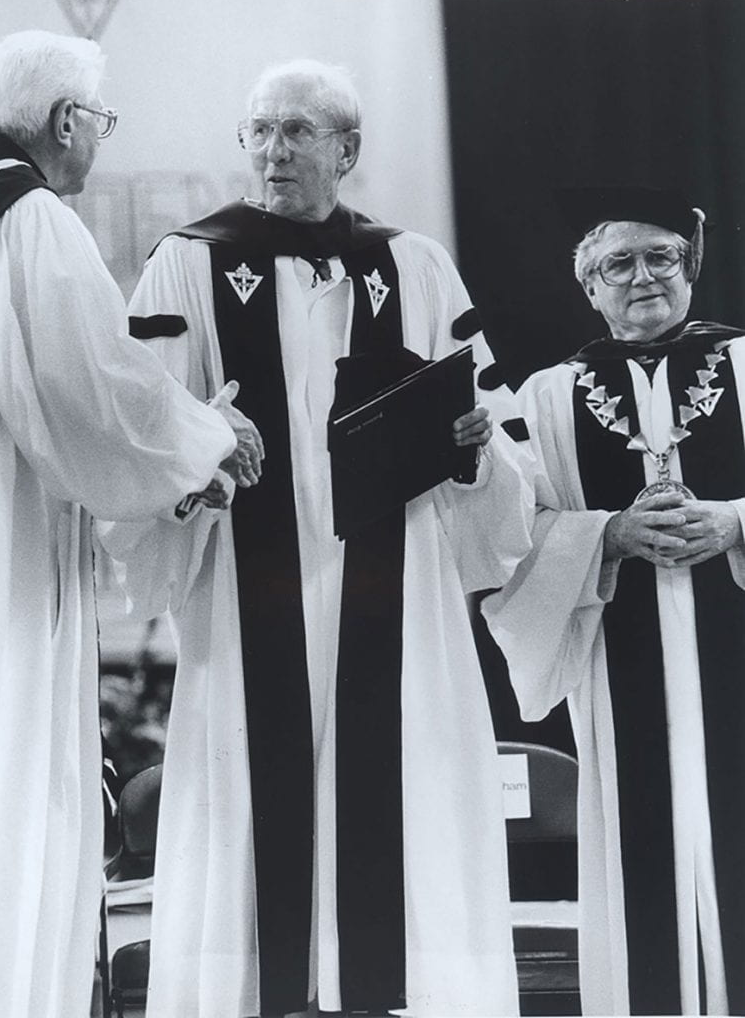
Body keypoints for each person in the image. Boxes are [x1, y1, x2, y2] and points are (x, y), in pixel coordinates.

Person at [100, 59, 535, 1018]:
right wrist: (193, 464)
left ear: (349, 150)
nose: (272, 151)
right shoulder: (190, 262)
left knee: (398, 790)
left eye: (298, 131)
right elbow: (142, 426)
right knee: (265, 806)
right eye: (258, 130)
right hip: (258, 589)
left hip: (399, 581)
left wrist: (471, 454)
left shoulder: (412, 264)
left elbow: (500, 433)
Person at [0, 29, 262, 1018]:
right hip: (0, 550)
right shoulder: (27, 217)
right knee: (14, 782)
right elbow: (91, 398)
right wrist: (206, 438)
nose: (100, 138)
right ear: (66, 120)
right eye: (101, 119)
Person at [483, 186, 745, 1016]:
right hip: (620, 665)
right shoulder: (549, 399)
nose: (642, 277)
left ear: (691, 265)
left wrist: (734, 522)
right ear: (588, 288)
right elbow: (518, 533)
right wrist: (611, 535)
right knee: (647, 867)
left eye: (661, 256)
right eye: (616, 264)